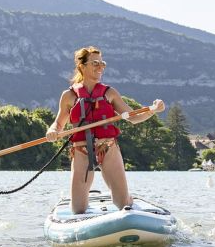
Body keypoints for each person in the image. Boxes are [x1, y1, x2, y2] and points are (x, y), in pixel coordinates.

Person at [46, 46, 165, 214]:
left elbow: (132, 117)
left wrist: (152, 110)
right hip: (81, 150)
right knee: (78, 209)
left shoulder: (110, 93)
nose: (100, 67)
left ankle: (130, 199)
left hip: (107, 147)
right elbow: (58, 124)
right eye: (95, 63)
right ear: (82, 66)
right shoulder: (69, 96)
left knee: (122, 203)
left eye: (103, 63)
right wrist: (52, 131)